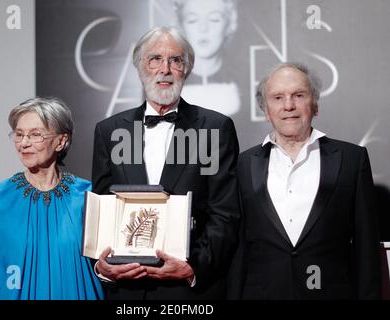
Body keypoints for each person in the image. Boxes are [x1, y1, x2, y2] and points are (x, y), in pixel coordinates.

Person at [92, 26, 240, 299]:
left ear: (187, 70)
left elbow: (225, 214)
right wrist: (102, 267)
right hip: (128, 292)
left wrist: (192, 267)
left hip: (188, 293)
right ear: (139, 68)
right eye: (155, 59)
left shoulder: (216, 128)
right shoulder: (109, 131)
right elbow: (103, 209)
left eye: (176, 60)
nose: (165, 69)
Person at [227, 62, 381, 299]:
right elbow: (238, 250)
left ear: (315, 105)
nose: (288, 105)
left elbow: (366, 247)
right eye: (278, 98)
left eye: (298, 95)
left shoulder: (352, 159)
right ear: (266, 110)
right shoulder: (244, 164)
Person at [0, 97, 103, 300]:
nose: (24, 143)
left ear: (61, 141)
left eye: (35, 135)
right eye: (19, 135)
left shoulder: (88, 195)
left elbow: (107, 266)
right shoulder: (0, 197)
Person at [171, 0, 240, 115]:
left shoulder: (245, 81)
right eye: (192, 20)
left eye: (214, 19)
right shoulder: (162, 83)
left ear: (229, 25)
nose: (203, 29)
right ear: (180, 27)